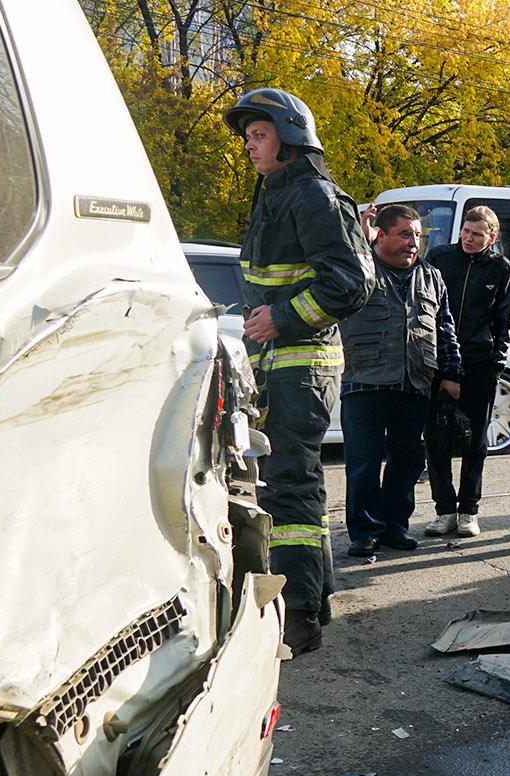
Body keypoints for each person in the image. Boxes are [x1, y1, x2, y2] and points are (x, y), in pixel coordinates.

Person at [224, 87, 373, 657]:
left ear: (289, 137)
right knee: (297, 486)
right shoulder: (278, 193)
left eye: (259, 135)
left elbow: (351, 284)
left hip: (300, 364)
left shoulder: (312, 194)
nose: (250, 146)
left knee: (290, 491)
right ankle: (316, 597)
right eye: (247, 137)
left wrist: (281, 319)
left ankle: (300, 617)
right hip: (283, 365)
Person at [337, 204, 461, 558]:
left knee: (407, 461)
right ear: (382, 233)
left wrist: (452, 372)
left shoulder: (431, 276)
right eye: (405, 234)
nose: (413, 242)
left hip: (415, 383)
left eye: (417, 236)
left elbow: (445, 327)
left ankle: (396, 527)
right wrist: (357, 241)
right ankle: (363, 532)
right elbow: (332, 266)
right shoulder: (358, 268)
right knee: (363, 462)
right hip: (365, 381)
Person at [423, 205, 510, 538]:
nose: (469, 238)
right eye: (466, 231)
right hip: (437, 363)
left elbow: (504, 325)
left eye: (477, 234)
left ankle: (468, 511)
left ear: (491, 237)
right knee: (435, 441)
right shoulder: (439, 258)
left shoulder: (502, 269)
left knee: (475, 442)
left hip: (479, 365)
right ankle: (444, 510)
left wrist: (496, 367)